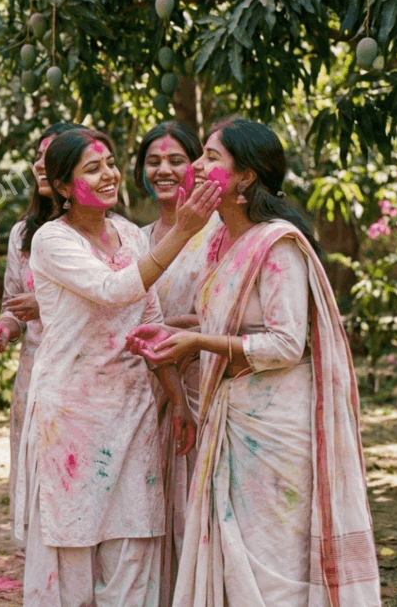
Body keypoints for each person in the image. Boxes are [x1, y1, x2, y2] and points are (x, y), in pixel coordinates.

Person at [129, 118, 380, 607]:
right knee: (234, 547)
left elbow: (286, 344)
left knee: (274, 558)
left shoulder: (277, 244)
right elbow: (220, 318)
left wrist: (196, 343)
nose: (197, 167)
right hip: (233, 414)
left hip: (276, 427)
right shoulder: (220, 240)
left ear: (244, 178)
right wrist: (177, 329)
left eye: (210, 157)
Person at [17, 127, 220, 607]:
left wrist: (174, 395)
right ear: (63, 187)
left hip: (132, 410)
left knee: (134, 542)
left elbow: (147, 318)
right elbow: (115, 290)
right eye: (92, 168)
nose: (108, 174)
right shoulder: (51, 239)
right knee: (71, 543)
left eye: (109, 163)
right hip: (71, 415)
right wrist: (186, 230)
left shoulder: (129, 233)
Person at [0, 121, 83, 548]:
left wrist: (52, 304)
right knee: (38, 477)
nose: (41, 165)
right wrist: (6, 326)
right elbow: (14, 306)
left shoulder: (110, 230)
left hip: (86, 374)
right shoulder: (24, 233)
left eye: (52, 155)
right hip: (35, 374)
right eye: (38, 156)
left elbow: (121, 303)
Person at [132, 120, 220, 605]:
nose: (163, 170)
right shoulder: (131, 240)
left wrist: (192, 327)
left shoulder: (221, 235)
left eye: (175, 160)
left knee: (202, 507)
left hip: (207, 388)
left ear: (197, 167)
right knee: (154, 513)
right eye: (152, 161)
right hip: (145, 395)